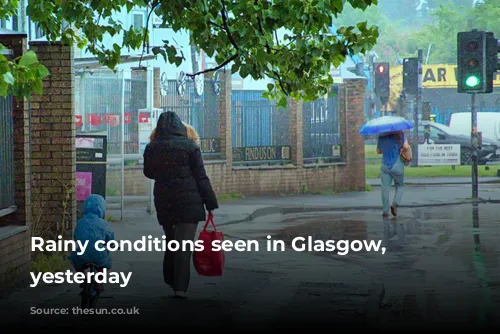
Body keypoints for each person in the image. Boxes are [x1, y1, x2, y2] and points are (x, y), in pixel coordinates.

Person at [143, 111, 218, 299]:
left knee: (172, 241)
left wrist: (164, 172)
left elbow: (149, 173)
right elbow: (201, 177)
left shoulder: (152, 148)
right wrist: (210, 203)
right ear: (180, 127)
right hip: (189, 202)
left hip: (165, 200)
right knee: (184, 244)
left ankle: (170, 277)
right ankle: (180, 287)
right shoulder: (190, 147)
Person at [68, 194, 114, 291]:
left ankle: (83, 280)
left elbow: (76, 237)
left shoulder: (80, 222)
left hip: (82, 253)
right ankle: (98, 283)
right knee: (103, 262)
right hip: (98, 254)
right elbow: (109, 238)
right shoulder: (104, 223)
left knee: (76, 260)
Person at [376, 131, 411, 218]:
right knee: (400, 185)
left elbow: (378, 151)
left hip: (385, 165)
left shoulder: (382, 136)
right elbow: (406, 147)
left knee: (385, 188)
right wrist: (401, 149)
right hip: (397, 164)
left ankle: (385, 211)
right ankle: (395, 203)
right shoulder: (400, 134)